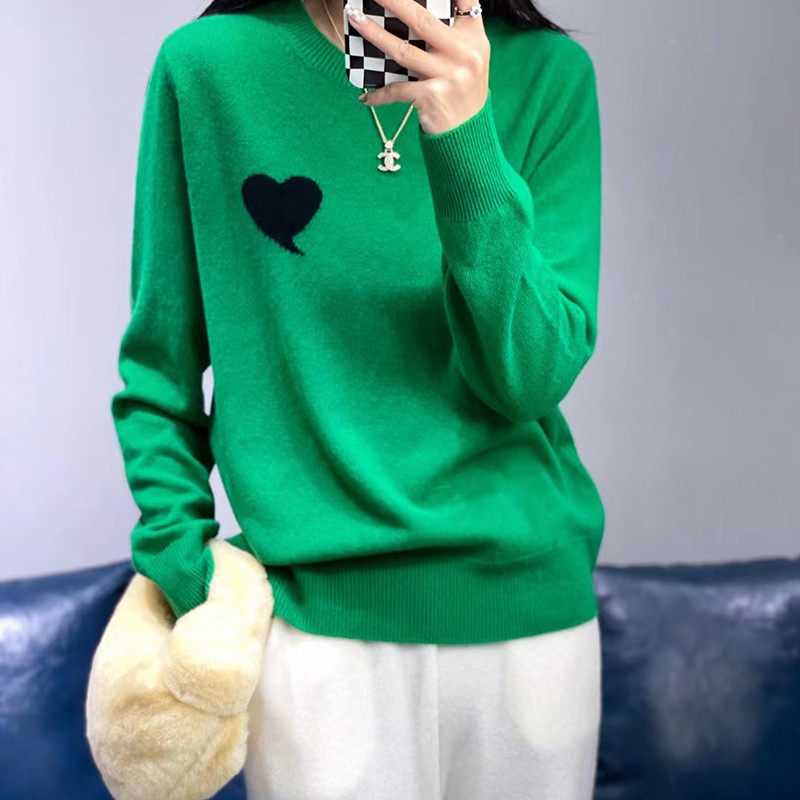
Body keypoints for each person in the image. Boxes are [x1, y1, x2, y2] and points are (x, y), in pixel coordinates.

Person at [110, 0, 605, 796]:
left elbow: (530, 376)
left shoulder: (549, 75)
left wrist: (465, 136)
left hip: (529, 623)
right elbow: (158, 363)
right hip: (313, 633)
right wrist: (193, 578)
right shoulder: (208, 68)